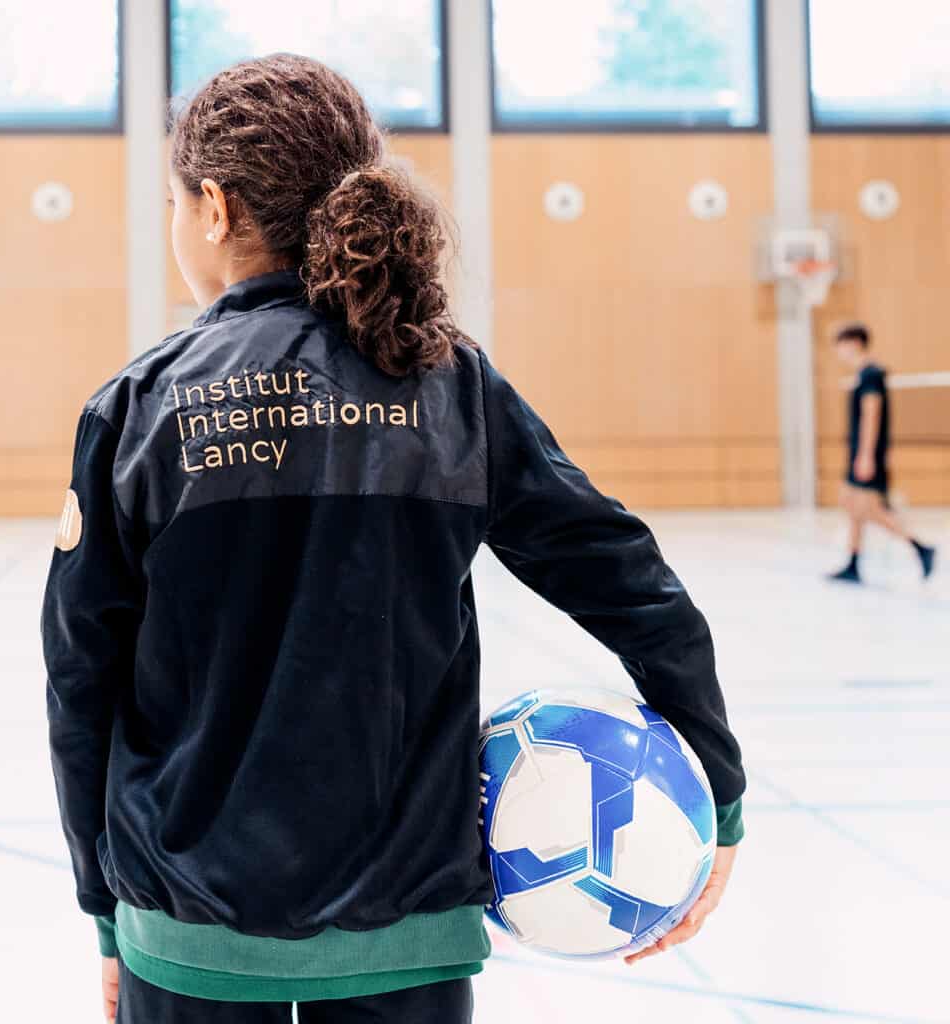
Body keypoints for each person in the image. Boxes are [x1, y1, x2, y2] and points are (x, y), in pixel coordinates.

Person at [42, 55, 746, 1024]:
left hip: (189, 942)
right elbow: (634, 585)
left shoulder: (139, 410)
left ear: (210, 207)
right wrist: (720, 793)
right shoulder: (450, 386)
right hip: (406, 946)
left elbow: (82, 682)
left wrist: (108, 915)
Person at [827, 323, 936, 584]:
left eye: (840, 345)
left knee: (865, 508)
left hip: (867, 453)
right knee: (851, 504)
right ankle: (853, 562)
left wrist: (865, 455)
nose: (838, 352)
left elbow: (871, 414)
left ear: (854, 342)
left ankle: (920, 547)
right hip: (859, 451)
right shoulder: (862, 375)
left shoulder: (871, 375)